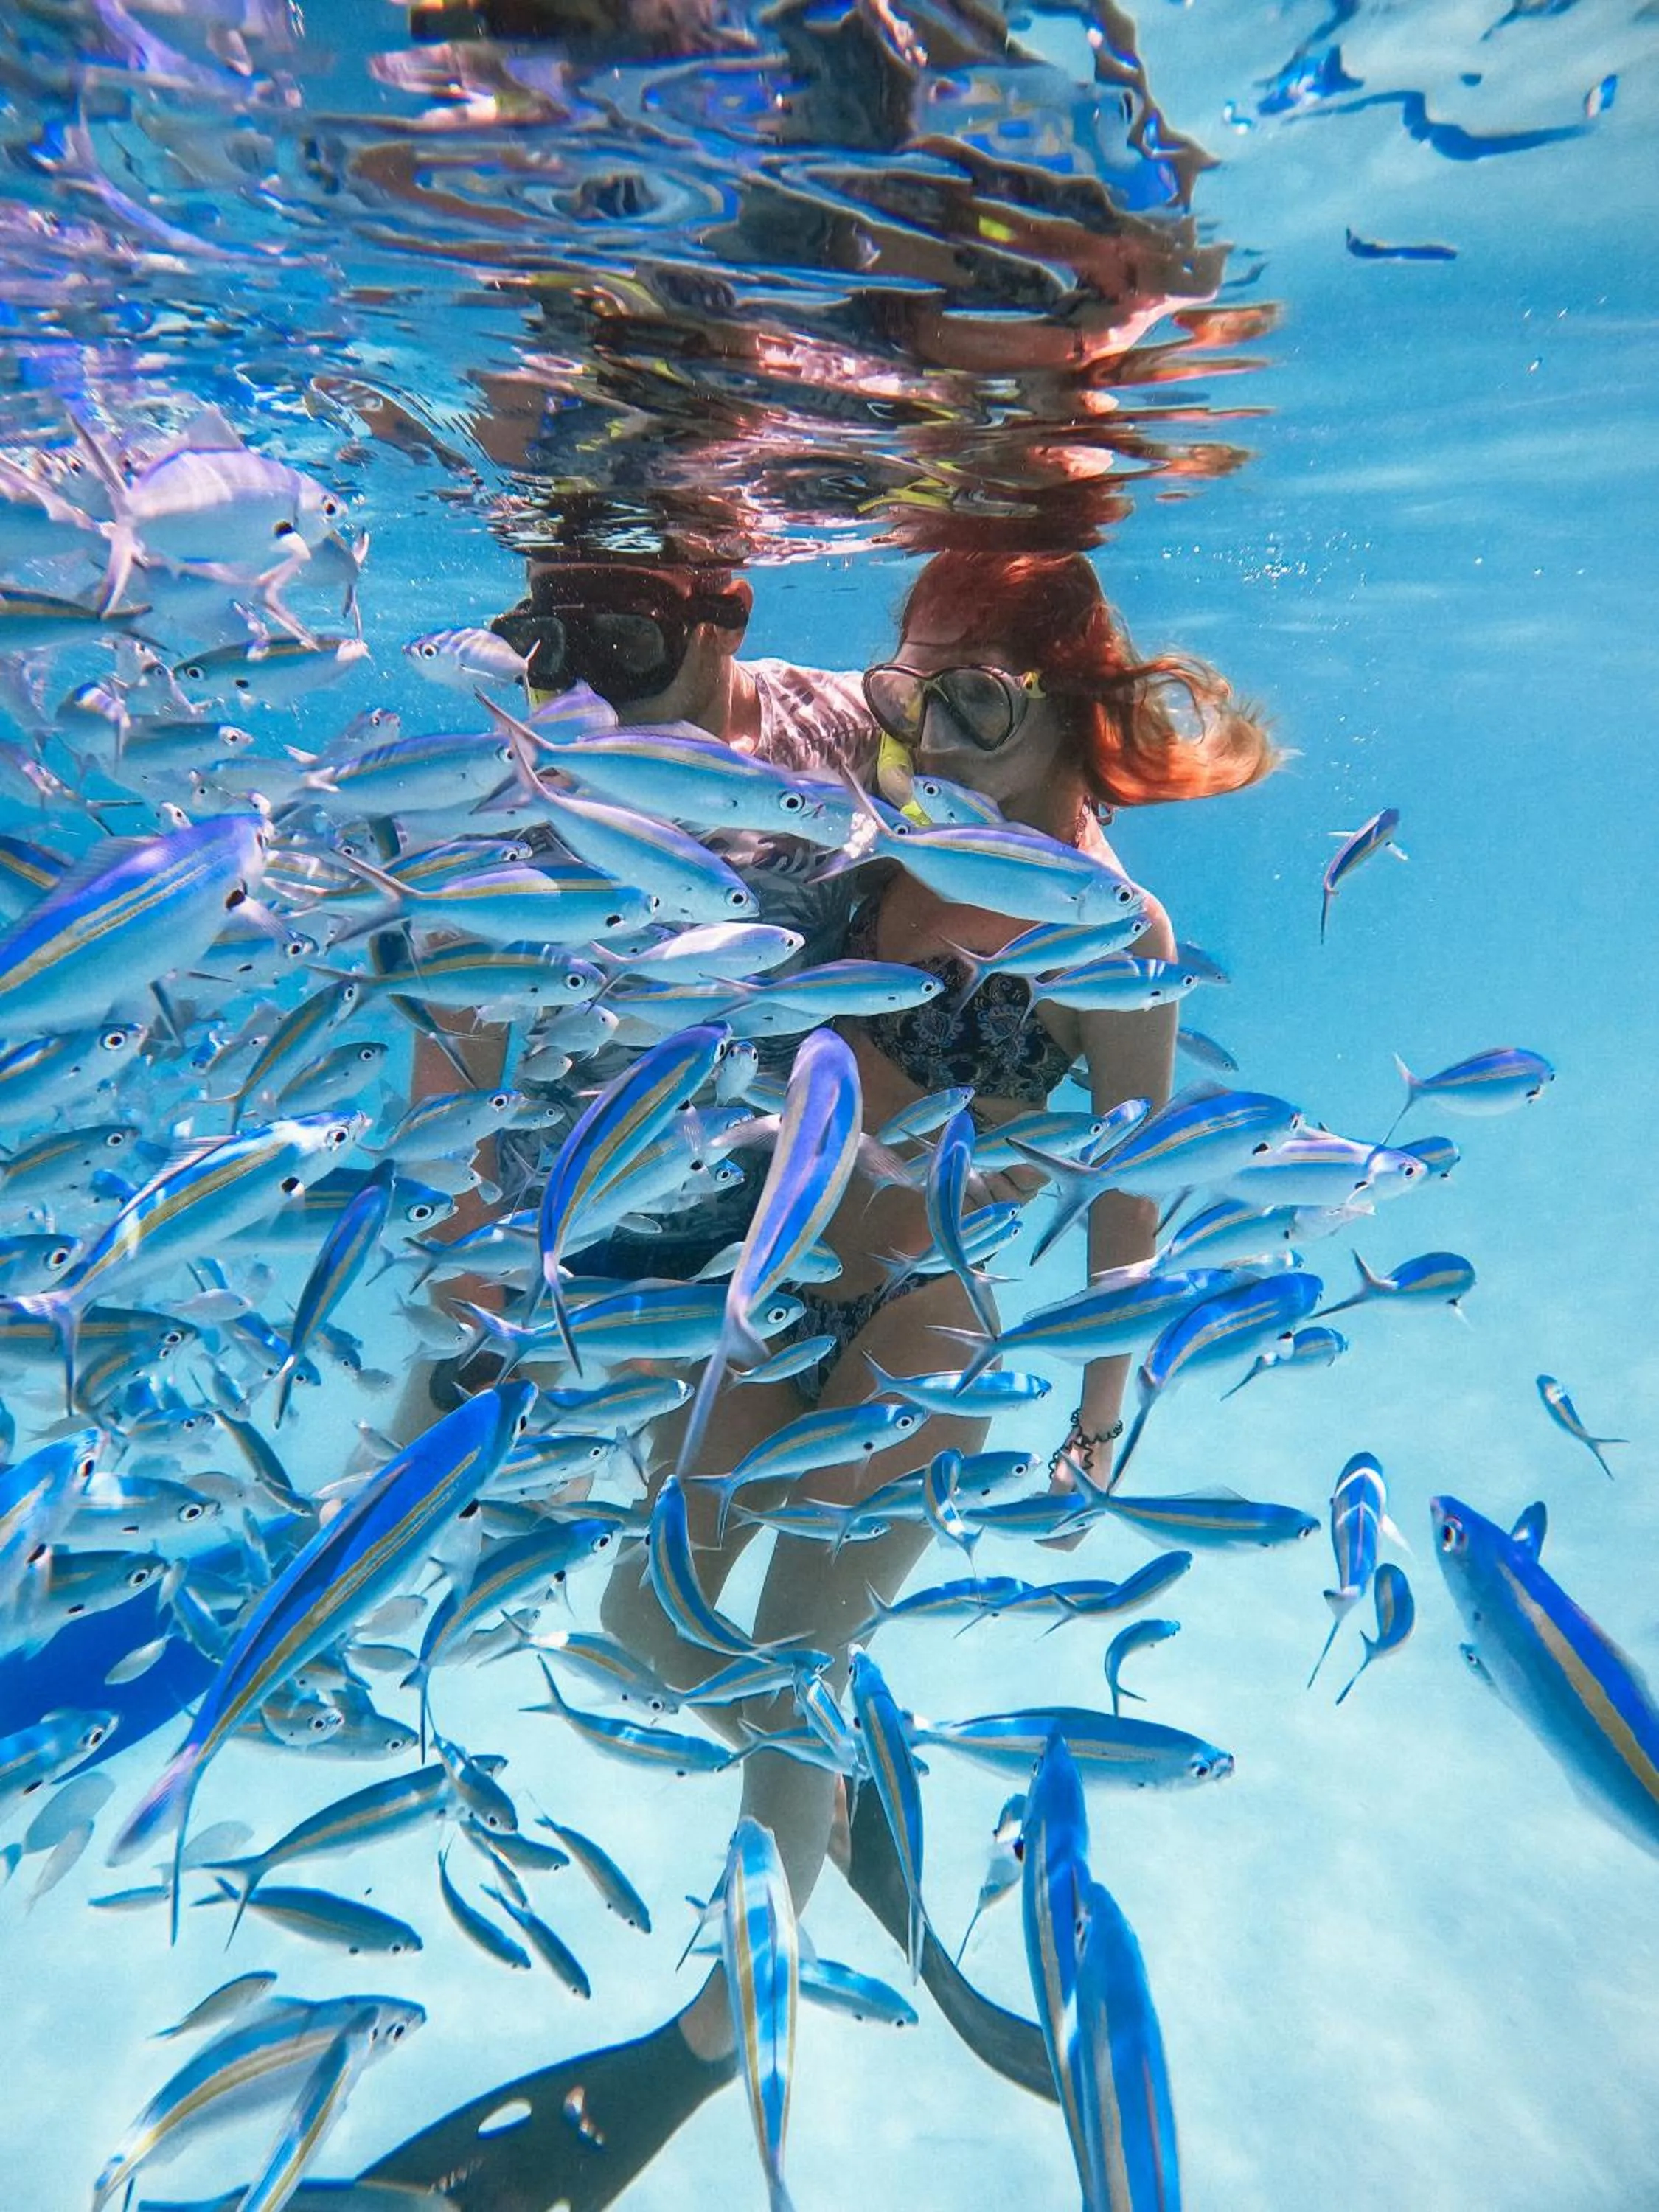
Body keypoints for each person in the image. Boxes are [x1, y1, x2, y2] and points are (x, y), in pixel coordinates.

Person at [366, 549, 1276, 2209]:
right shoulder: (882, 839)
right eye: (908, 695)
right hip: (765, 1300)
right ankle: (831, 1783)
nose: (930, 734)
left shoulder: (1116, 932)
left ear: (1074, 705)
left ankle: (715, 2036)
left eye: (976, 700)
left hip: (928, 1321)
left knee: (794, 1652)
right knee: (642, 1633)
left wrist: (1096, 1414)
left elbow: (1128, 1204)